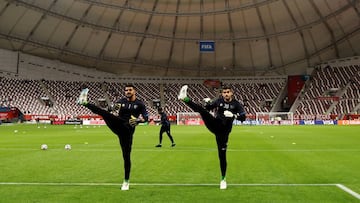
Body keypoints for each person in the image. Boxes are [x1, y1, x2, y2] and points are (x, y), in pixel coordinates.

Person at [77, 84, 149, 191]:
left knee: (126, 156)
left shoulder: (140, 104)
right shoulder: (121, 102)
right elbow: (110, 110)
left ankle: (126, 181)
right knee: (105, 113)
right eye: (126, 90)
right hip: (118, 124)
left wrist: (138, 120)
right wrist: (111, 108)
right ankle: (85, 102)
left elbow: (146, 118)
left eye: (130, 90)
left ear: (134, 91)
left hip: (128, 130)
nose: (128, 92)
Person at [177, 85, 246, 189]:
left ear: (232, 93)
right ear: (222, 94)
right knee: (202, 111)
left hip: (224, 132)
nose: (226, 94)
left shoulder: (236, 104)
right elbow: (208, 108)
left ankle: (223, 179)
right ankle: (184, 98)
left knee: (222, 155)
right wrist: (208, 102)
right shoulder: (219, 101)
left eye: (228, 92)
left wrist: (233, 115)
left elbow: (243, 117)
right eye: (224, 92)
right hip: (215, 125)